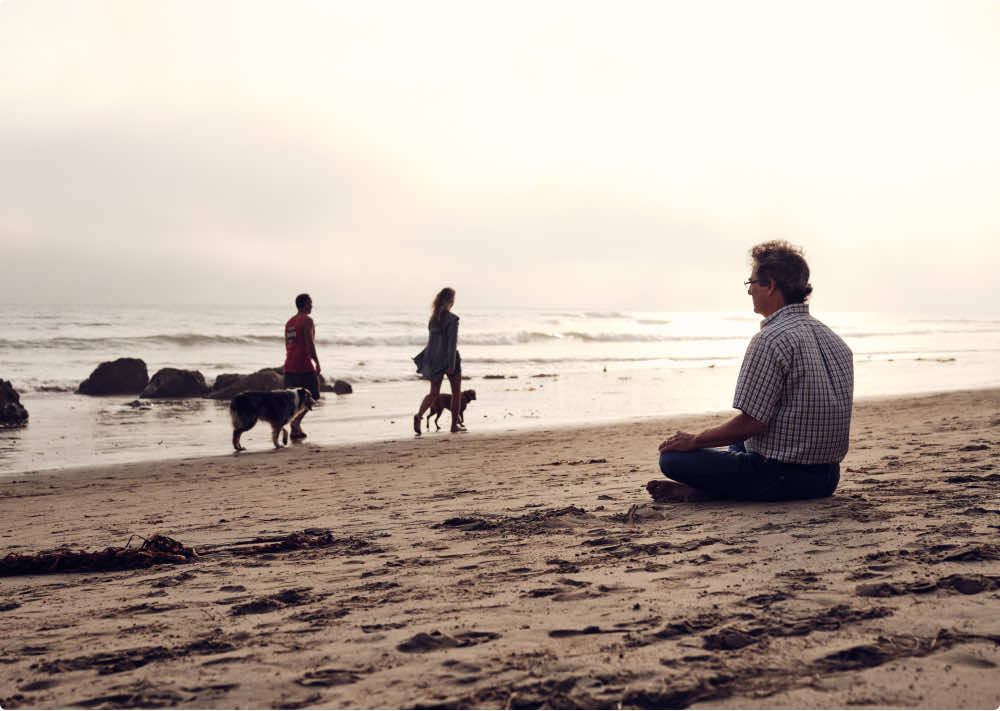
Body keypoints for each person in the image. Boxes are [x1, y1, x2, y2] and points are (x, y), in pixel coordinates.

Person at [651, 241, 853, 502]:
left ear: (769, 285)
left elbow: (751, 423)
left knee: (672, 460)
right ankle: (713, 489)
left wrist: (695, 440)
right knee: (736, 445)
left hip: (782, 478)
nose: (749, 292)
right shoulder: (834, 340)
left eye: (751, 284)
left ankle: (710, 492)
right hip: (827, 478)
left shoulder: (770, 340)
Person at [413, 287, 464, 435]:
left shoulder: (433, 319)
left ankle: (419, 415)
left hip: (434, 359)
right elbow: (451, 344)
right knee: (456, 393)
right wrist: (452, 364)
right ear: (450, 301)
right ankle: (454, 426)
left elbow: (432, 342)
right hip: (449, 360)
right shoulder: (452, 319)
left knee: (433, 393)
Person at [283, 293, 321, 440]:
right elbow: (309, 343)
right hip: (303, 364)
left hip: (290, 364)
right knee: (314, 396)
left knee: (294, 400)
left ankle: (295, 428)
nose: (312, 306)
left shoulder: (289, 322)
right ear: (305, 304)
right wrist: (317, 362)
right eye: (310, 303)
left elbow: (287, 344)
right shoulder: (307, 321)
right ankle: (295, 423)